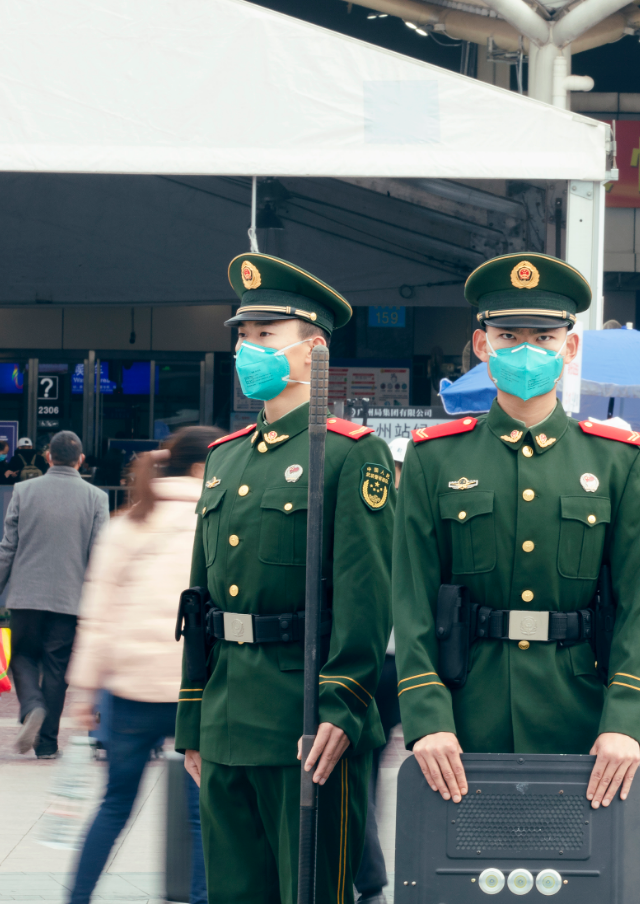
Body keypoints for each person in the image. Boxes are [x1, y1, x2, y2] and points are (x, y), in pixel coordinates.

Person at [392, 252, 640, 815]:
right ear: (480, 345)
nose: (525, 350)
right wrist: (427, 718)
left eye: (543, 337)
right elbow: (410, 598)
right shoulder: (434, 458)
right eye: (508, 335)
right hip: (466, 723)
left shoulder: (617, 460)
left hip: (582, 719)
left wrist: (624, 720)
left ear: (570, 348)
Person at [174, 253, 394, 904]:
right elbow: (198, 600)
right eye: (243, 335)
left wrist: (343, 705)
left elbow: (365, 593)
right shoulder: (225, 458)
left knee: (312, 893)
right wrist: (193, 721)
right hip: (227, 718)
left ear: (310, 351)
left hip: (306, 723)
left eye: (265, 336)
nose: (248, 349)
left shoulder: (352, 454)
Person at [66, 427, 223, 904]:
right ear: (202, 469)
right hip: (195, 691)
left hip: (130, 690)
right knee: (202, 816)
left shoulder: (128, 522)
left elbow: (97, 613)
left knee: (114, 805)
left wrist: (84, 691)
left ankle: (77, 898)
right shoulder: (217, 520)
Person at [0, 430, 108, 758]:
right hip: (69, 600)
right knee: (57, 668)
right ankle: (46, 744)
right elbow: (99, 554)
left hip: (25, 596)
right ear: (81, 460)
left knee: (21, 656)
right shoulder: (96, 498)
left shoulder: (23, 490)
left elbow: (8, 547)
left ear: (48, 458)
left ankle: (31, 705)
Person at [352, 437, 409, 904]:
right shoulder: (426, 516)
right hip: (410, 666)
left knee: (360, 773)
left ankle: (369, 880)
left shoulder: (372, 513)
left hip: (374, 665)